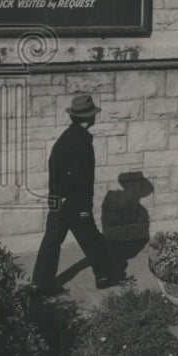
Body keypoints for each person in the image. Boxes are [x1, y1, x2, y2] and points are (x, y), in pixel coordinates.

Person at [31, 93, 124, 294]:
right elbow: (80, 179)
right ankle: (104, 277)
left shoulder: (69, 137)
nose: (95, 117)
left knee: (52, 241)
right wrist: (83, 208)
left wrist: (56, 198)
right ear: (88, 118)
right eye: (93, 114)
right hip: (73, 203)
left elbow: (55, 169)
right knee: (92, 239)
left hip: (59, 199)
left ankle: (40, 284)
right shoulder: (80, 142)